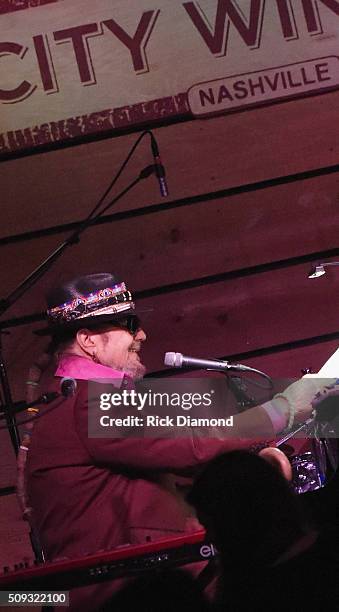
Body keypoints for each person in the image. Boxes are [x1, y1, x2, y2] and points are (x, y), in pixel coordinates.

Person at [20, 273, 335, 611]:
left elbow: (169, 462)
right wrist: (284, 409)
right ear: (88, 341)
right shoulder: (88, 400)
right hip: (128, 595)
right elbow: (193, 443)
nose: (141, 334)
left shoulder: (77, 397)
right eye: (129, 324)